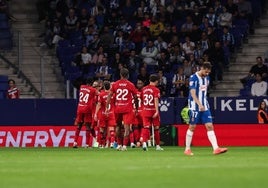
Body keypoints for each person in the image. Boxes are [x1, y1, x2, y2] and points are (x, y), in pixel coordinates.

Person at [184, 62, 228, 156]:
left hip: (205, 105)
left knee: (209, 126)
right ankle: (187, 149)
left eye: (208, 72)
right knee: (192, 127)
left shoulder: (207, 78)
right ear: (202, 68)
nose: (207, 74)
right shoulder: (193, 78)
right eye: (206, 72)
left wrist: (203, 104)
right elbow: (192, 93)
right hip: (194, 106)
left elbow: (203, 92)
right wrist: (199, 104)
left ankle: (216, 148)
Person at [106, 68, 138, 151]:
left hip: (117, 108)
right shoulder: (130, 84)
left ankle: (119, 145)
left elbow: (109, 95)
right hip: (127, 108)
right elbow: (135, 97)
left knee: (118, 127)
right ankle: (124, 146)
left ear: (120, 74)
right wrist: (137, 107)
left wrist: (107, 107)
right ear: (127, 75)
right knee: (127, 127)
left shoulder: (115, 84)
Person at [140, 74, 163, 151]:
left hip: (145, 110)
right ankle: (157, 146)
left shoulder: (143, 89)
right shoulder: (156, 90)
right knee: (156, 128)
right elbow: (156, 100)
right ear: (156, 81)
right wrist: (157, 111)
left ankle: (144, 143)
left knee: (146, 127)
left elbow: (142, 99)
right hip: (153, 110)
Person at [73, 78, 98, 148]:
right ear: (91, 83)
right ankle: (87, 144)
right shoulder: (93, 90)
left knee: (79, 126)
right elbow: (98, 94)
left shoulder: (81, 87)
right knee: (88, 127)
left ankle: (75, 142)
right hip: (87, 109)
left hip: (80, 108)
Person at [94, 81, 116, 148]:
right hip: (111, 113)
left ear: (104, 86)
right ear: (110, 86)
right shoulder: (113, 94)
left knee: (101, 130)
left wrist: (95, 114)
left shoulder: (101, 94)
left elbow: (99, 105)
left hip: (103, 114)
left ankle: (101, 144)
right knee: (111, 129)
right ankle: (112, 143)